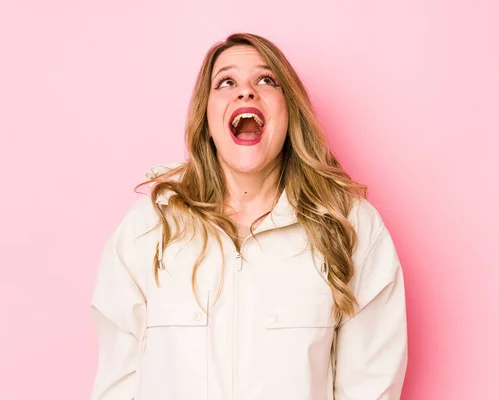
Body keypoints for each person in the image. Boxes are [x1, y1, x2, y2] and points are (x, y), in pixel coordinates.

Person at [90, 32, 408, 400]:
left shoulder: (350, 227)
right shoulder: (149, 226)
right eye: (226, 82)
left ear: (289, 111)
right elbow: (118, 381)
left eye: (266, 80)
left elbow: (371, 386)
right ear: (206, 115)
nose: (246, 92)